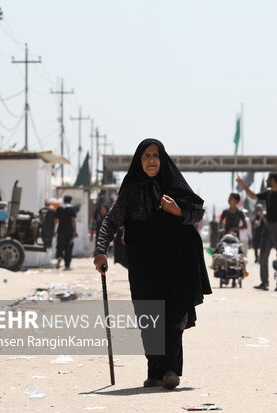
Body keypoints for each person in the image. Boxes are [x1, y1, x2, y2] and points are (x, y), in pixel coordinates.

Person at [93, 138, 212, 389]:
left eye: (155, 155)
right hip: (145, 266)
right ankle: (154, 370)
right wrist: (100, 250)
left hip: (175, 263)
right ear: (139, 160)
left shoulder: (173, 185)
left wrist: (177, 211)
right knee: (148, 316)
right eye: (146, 156)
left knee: (173, 315)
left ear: (162, 159)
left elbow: (198, 212)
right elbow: (112, 221)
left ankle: (170, 369)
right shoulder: (132, 190)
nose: (151, 160)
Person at [236, 172, 277, 292]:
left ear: (273, 180)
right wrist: (243, 185)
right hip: (268, 227)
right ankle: (264, 283)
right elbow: (254, 196)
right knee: (263, 255)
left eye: (268, 179)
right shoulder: (268, 193)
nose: (266, 181)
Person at [55, 195, 78, 270]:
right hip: (69, 231)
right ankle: (67, 263)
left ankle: (59, 256)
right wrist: (75, 231)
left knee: (60, 245)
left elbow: (55, 220)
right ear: (70, 201)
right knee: (68, 247)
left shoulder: (59, 208)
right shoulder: (71, 209)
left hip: (60, 230)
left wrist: (53, 230)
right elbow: (73, 221)